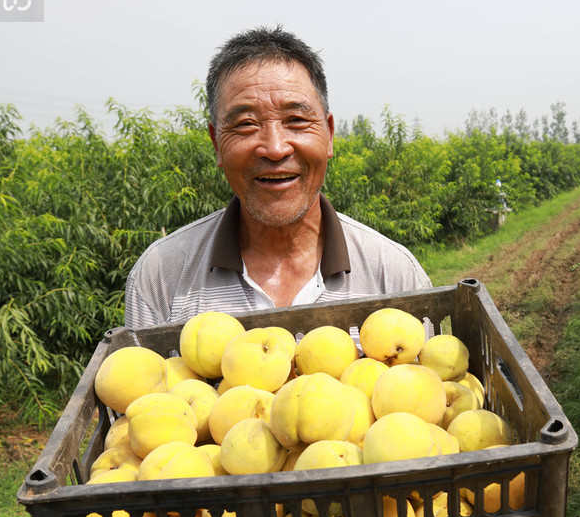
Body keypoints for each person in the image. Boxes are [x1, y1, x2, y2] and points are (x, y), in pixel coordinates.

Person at [124, 27, 432, 329]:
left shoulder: (391, 274)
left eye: (296, 120)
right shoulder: (162, 275)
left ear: (329, 135)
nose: (274, 148)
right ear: (216, 143)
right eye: (245, 124)